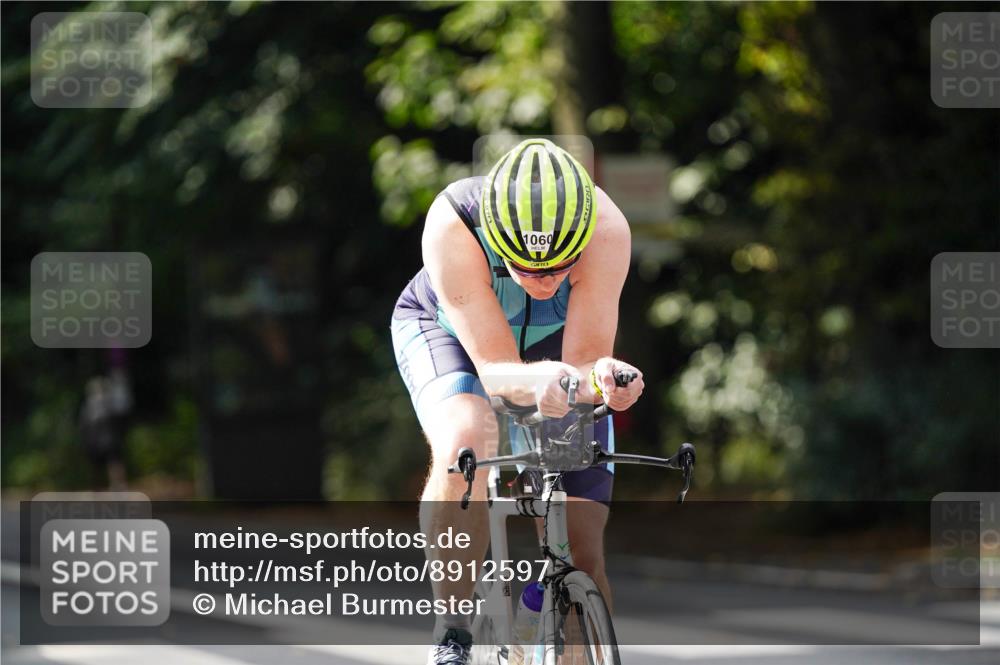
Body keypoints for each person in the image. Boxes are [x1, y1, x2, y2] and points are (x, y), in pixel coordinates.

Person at [390, 138, 643, 664]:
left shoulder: (607, 228)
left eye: (557, 268)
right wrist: (541, 384)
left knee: (584, 550)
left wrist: (613, 382)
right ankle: (453, 627)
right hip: (451, 336)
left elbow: (588, 361)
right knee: (468, 433)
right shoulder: (453, 220)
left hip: (557, 350)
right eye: (524, 268)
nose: (542, 281)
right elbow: (494, 371)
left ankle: (565, 613)